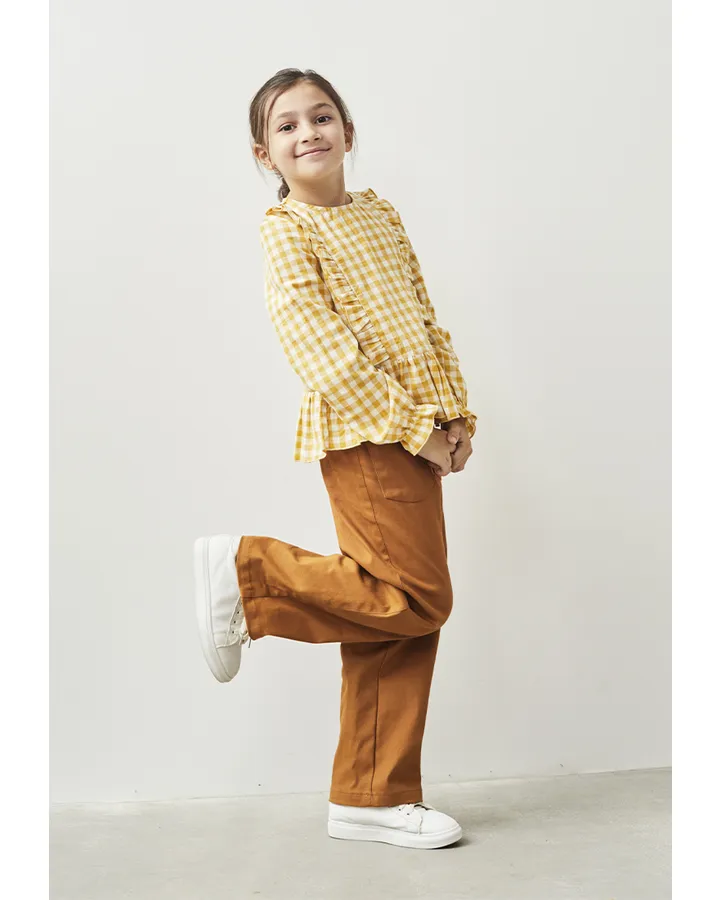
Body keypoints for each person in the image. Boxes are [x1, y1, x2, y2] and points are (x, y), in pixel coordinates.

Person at [194, 68, 477, 850]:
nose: (307, 133)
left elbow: (423, 318)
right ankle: (250, 576)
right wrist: (412, 430)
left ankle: (372, 796)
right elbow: (320, 353)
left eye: (321, 117)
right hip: (367, 436)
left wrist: (455, 415)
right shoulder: (286, 230)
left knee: (398, 620)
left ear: (348, 132)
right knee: (419, 599)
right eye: (286, 126)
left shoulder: (379, 214)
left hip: (417, 430)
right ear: (265, 155)